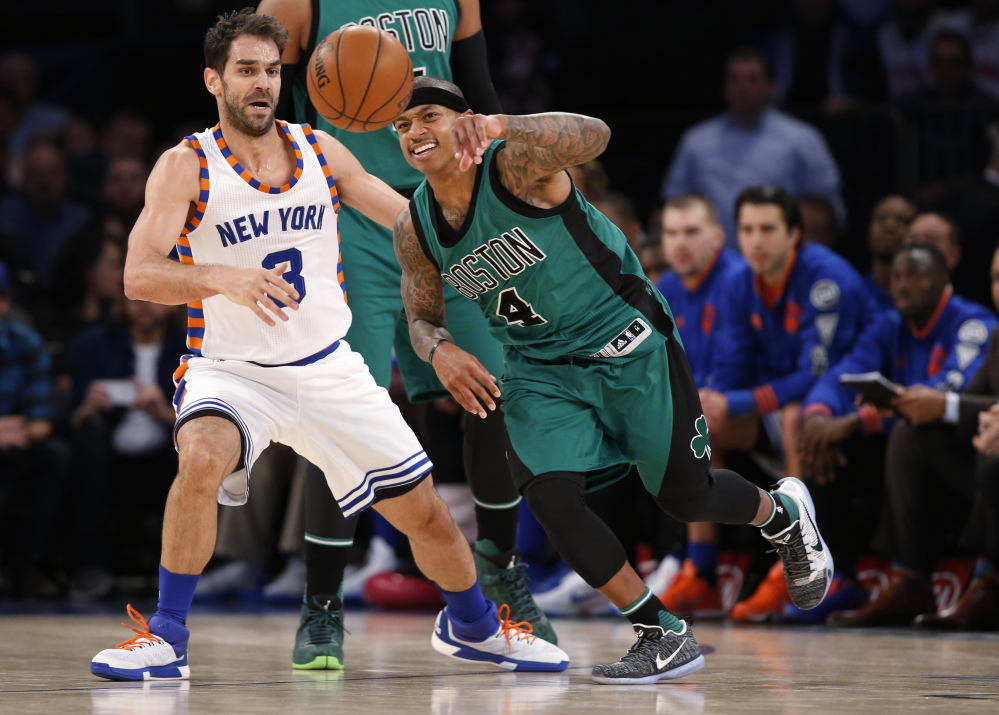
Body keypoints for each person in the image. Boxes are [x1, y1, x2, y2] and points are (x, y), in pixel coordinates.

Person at [90, 10, 566, 682]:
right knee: (199, 457)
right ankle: (166, 633)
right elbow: (139, 273)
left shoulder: (320, 149)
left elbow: (405, 220)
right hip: (231, 372)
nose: (261, 83)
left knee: (426, 513)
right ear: (213, 81)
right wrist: (218, 276)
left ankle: (475, 627)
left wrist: (490, 229)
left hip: (325, 368)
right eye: (245, 71)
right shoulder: (185, 166)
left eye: (270, 71)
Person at [391, 75, 832, 684]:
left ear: (463, 121)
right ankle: (661, 631)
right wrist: (438, 350)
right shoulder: (414, 225)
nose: (415, 132)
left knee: (685, 495)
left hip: (625, 340)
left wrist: (502, 125)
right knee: (548, 494)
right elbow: (421, 316)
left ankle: (782, 513)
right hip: (539, 366)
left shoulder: (513, 164)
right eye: (403, 125)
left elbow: (595, 136)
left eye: (430, 117)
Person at [257, 0, 554, 668]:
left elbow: (480, 98)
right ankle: (322, 604)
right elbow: (260, 108)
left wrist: (502, 198)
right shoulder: (295, 3)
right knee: (340, 408)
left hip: (446, 203)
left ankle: (501, 572)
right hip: (345, 215)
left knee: (492, 391)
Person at [681, 186, 869, 623]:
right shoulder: (736, 281)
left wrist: (738, 400)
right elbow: (730, 364)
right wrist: (716, 400)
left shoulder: (827, 280)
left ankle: (806, 566)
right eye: (747, 229)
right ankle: (703, 570)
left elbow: (816, 373)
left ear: (794, 234)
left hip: (843, 394)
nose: (756, 240)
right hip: (776, 402)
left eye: (768, 229)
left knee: (792, 416)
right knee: (701, 423)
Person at [800, 243, 997, 627]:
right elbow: (841, 374)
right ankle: (862, 578)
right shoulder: (889, 325)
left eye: (917, 276)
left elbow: (947, 392)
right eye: (897, 277)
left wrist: (859, 421)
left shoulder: (974, 325)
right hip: (929, 446)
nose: (904, 285)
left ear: (945, 281)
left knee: (943, 437)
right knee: (820, 440)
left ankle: (985, 582)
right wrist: (817, 417)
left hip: (962, 448)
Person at [661, 47, 843, 248]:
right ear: (724, 88)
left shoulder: (802, 139)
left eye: (753, 79)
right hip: (712, 261)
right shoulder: (696, 141)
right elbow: (674, 201)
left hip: (783, 260)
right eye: (735, 79)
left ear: (771, 86)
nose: (743, 87)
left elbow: (827, 207)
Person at [0, 259, 71, 599]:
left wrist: (23, 432)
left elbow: (42, 421)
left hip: (16, 445)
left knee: (56, 456)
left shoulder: (23, 340)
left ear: (6, 301)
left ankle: (28, 569)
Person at [864, 195, 917, 315]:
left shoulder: (924, 300)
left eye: (901, 220)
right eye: (881, 218)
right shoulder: (855, 292)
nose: (889, 226)